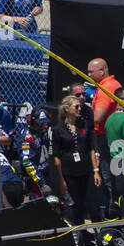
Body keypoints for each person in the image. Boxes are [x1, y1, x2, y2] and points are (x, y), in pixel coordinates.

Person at [53, 95, 100, 231]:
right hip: (70, 172)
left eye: (80, 106)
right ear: (67, 109)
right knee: (76, 205)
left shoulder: (83, 124)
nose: (80, 109)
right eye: (76, 106)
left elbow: (91, 148)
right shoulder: (58, 129)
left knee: (93, 204)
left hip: (86, 169)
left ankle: (100, 233)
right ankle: (80, 235)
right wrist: (61, 180)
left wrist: (96, 170)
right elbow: (56, 157)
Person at [87, 59, 123, 211]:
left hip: (105, 139)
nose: (88, 75)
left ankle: (110, 214)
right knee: (118, 178)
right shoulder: (115, 84)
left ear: (101, 71)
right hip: (117, 138)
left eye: (90, 72)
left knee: (107, 178)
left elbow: (97, 117)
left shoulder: (105, 89)